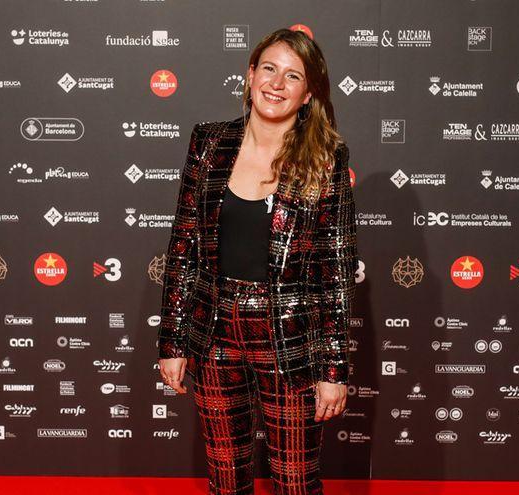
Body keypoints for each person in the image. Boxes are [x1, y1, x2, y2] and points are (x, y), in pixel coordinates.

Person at [158, 27, 358, 495]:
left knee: (295, 480)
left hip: (290, 334)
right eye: (268, 68)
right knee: (225, 478)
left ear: (308, 94)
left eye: (293, 76)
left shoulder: (326, 158)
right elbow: (184, 244)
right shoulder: (209, 142)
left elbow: (337, 271)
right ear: (249, 76)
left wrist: (333, 371)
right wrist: (173, 340)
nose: (276, 83)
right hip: (214, 332)